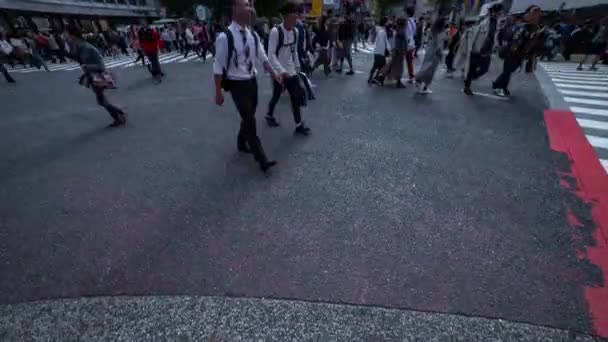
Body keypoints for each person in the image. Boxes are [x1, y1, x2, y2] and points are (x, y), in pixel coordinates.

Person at [214, 0, 281, 173]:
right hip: (237, 84)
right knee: (250, 120)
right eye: (245, 4)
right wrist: (218, 92)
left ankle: (240, 142)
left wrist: (274, 73)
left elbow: (263, 57)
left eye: (250, 5)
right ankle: (262, 159)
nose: (250, 8)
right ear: (235, 9)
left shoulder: (252, 35)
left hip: (252, 81)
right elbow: (218, 67)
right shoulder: (225, 37)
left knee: (249, 115)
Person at [265, 1, 312, 136]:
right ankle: (269, 115)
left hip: (290, 71)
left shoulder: (295, 31)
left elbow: (294, 51)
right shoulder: (276, 31)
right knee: (276, 95)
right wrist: (281, 71)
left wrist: (297, 67)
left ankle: (299, 125)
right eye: (293, 15)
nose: (296, 18)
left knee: (296, 97)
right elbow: (271, 55)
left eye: (296, 15)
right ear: (286, 17)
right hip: (278, 71)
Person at [66, 25, 126, 127]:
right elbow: (80, 59)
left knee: (101, 101)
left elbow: (101, 65)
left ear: (73, 35)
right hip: (92, 76)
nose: (67, 37)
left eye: (67, 35)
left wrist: (86, 66)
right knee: (102, 101)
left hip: (97, 76)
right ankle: (118, 116)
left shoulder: (87, 47)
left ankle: (119, 114)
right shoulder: (79, 47)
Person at [493, 5, 542, 97]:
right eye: (534, 13)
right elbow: (511, 37)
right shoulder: (520, 25)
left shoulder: (534, 27)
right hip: (511, 51)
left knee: (510, 70)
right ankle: (497, 87)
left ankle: (502, 86)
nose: (536, 16)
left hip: (520, 53)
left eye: (538, 14)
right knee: (507, 71)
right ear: (527, 14)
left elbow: (533, 42)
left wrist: (531, 55)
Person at [463, 4, 502, 96]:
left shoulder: (497, 23)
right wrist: (472, 48)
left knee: (484, 69)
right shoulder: (483, 22)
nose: (499, 14)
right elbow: (474, 35)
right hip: (477, 48)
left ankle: (471, 77)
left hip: (487, 49)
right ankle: (467, 87)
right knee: (471, 67)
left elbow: (495, 36)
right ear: (493, 12)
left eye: (500, 13)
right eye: (498, 12)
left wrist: (496, 46)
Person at [415, 16, 447, 94]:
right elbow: (440, 44)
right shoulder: (441, 32)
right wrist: (440, 54)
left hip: (429, 51)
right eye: (445, 21)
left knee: (426, 66)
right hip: (435, 53)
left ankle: (422, 84)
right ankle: (422, 82)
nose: (447, 22)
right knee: (430, 70)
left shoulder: (432, 30)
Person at [376, 17, 407, 88]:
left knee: (392, 65)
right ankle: (397, 82)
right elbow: (404, 42)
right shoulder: (402, 31)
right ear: (403, 23)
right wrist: (404, 50)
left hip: (396, 50)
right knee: (399, 67)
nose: (406, 24)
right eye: (405, 22)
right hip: (399, 51)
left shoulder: (398, 30)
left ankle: (381, 77)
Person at [296, 10, 315, 100]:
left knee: (301, 74)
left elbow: (301, 42)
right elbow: (307, 41)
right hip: (301, 53)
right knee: (302, 74)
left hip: (298, 54)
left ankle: (306, 93)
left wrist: (303, 53)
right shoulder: (302, 26)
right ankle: (308, 92)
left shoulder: (299, 27)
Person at [368, 16, 390, 84]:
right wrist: (389, 49)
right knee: (378, 65)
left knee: (380, 65)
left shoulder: (380, 28)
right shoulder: (382, 30)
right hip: (380, 50)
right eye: (387, 21)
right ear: (385, 22)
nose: (388, 23)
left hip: (379, 49)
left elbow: (372, 36)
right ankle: (372, 78)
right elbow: (385, 40)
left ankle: (374, 78)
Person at [405, 7, 417, 84]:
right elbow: (414, 33)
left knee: (398, 59)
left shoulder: (407, 22)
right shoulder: (413, 21)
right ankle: (411, 76)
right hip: (412, 43)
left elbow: (407, 34)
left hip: (407, 44)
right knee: (410, 61)